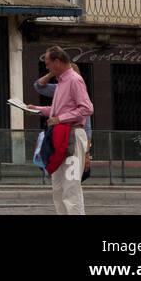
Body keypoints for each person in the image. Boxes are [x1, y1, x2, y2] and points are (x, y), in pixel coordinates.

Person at [35, 47, 93, 214]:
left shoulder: (74, 80)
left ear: (57, 62)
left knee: (70, 187)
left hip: (72, 137)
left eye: (48, 64)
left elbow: (87, 108)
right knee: (58, 186)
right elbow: (56, 110)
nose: (47, 68)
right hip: (61, 137)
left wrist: (60, 119)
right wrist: (36, 109)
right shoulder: (62, 82)